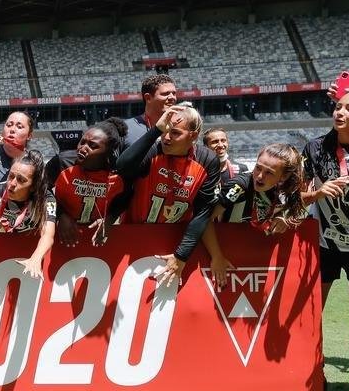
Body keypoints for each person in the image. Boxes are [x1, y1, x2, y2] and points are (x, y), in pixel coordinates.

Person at [302, 90, 349, 391]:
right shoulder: (315, 147)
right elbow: (296, 197)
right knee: (312, 314)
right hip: (323, 243)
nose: (339, 112)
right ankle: (314, 371)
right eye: (338, 107)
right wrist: (317, 193)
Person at [115, 103, 220, 288]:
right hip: (135, 235)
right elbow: (122, 167)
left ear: (193, 136)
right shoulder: (152, 150)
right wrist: (155, 130)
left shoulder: (207, 160)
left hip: (174, 240)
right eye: (165, 130)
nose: (166, 138)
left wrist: (181, 255)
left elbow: (202, 212)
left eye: (176, 133)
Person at [204, 142, 306, 282]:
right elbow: (203, 219)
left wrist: (282, 217)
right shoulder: (239, 187)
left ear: (284, 177)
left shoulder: (288, 188)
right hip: (221, 253)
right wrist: (216, 257)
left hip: (251, 254)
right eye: (258, 168)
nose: (259, 176)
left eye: (269, 172)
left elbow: (293, 205)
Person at [0, 150, 56, 279]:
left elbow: (48, 234)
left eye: (21, 180)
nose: (12, 184)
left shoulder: (45, 199)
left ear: (33, 186)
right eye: (11, 176)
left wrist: (36, 259)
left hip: (29, 258)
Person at [45, 117, 130, 247]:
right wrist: (60, 215)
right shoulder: (62, 162)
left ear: (108, 152)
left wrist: (108, 220)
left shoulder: (117, 173)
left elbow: (124, 200)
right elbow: (41, 190)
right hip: (61, 235)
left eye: (93, 146)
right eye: (82, 142)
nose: (83, 148)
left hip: (95, 238)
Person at [124, 73, 178, 147]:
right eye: (165, 94)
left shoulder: (181, 128)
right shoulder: (126, 129)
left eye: (174, 93)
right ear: (148, 98)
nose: (172, 97)